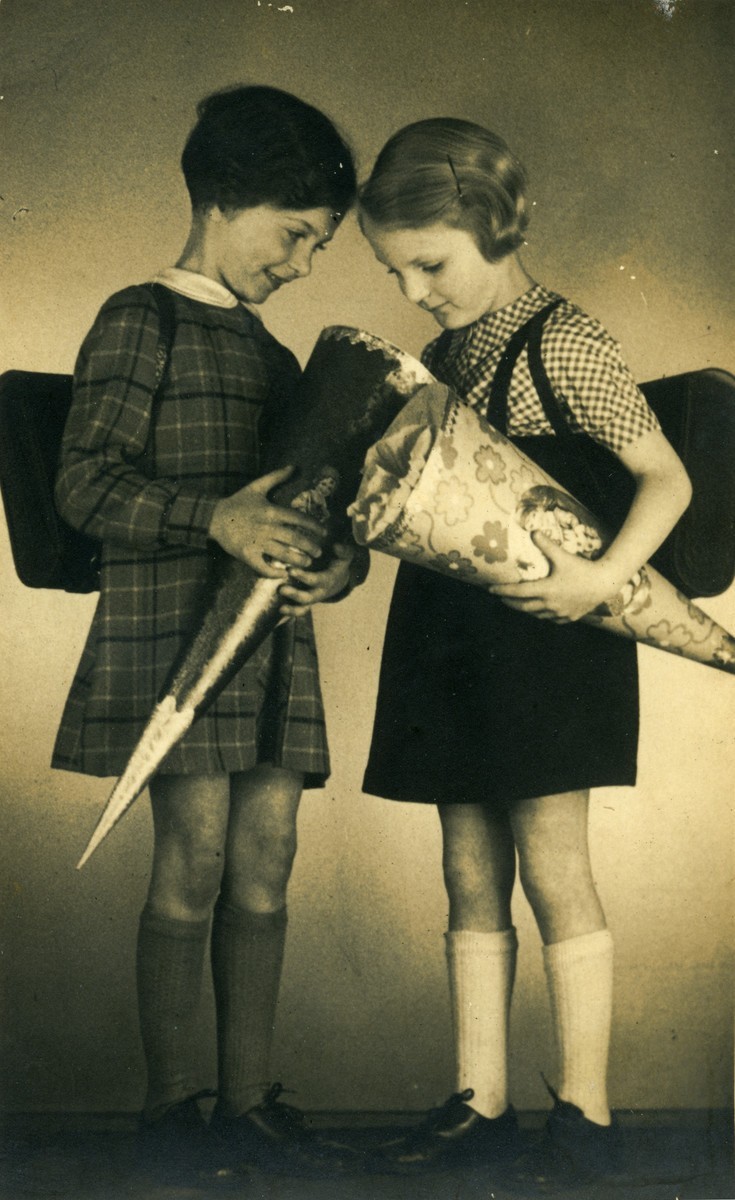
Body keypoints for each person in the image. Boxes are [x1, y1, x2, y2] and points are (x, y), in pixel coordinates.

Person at [357, 118, 691, 1186]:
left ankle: (584, 1115)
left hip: (551, 641)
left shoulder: (570, 340)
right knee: (466, 871)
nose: (413, 291)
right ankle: (481, 1102)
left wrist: (602, 581)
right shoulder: (450, 354)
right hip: (454, 633)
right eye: (395, 270)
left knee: (553, 870)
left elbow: (668, 480)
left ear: (491, 224)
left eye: (430, 264)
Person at [52, 85, 362, 1177]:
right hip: (172, 643)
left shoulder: (278, 360)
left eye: (316, 247)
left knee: (267, 856)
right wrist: (215, 518)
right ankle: (172, 1105)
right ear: (229, 200)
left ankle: (245, 1101)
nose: (302, 265)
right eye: (296, 236)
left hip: (268, 648)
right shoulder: (139, 318)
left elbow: (317, 504)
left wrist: (339, 562)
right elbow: (83, 487)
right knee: (191, 859)